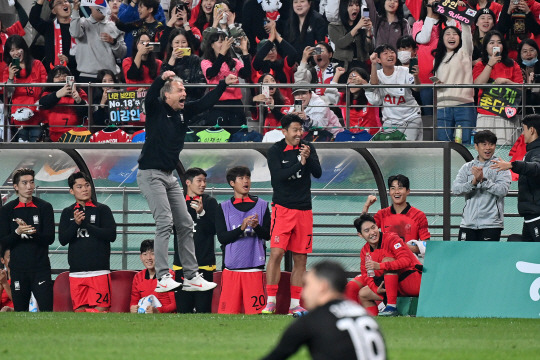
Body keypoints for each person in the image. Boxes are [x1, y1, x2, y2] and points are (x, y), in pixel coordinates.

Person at [136, 69, 237, 292]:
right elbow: (150, 95)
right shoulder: (156, 109)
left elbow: (205, 103)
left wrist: (222, 84)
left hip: (169, 176)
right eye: (180, 90)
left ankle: (191, 276)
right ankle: (162, 277)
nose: (184, 93)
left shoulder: (184, 112)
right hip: (150, 174)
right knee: (164, 222)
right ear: (167, 95)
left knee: (185, 224)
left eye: (184, 90)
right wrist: (160, 78)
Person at [261, 261, 387, 360]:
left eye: (308, 285)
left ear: (322, 286)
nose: (303, 293)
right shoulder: (363, 314)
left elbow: (277, 355)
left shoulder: (314, 319)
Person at [262, 114, 322, 315]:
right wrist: (300, 164)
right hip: (283, 209)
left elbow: (318, 173)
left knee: (301, 258)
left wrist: (308, 158)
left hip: (304, 210)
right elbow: (278, 178)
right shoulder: (276, 150)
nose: (299, 134)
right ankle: (270, 301)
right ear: (284, 131)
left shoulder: (308, 147)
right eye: (295, 130)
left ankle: (294, 305)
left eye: (300, 130)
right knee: (277, 252)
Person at [58, 172, 117, 312]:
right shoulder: (67, 212)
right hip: (76, 273)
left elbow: (111, 235)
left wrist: (86, 225)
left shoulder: (102, 209)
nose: (84, 189)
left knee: (101, 312)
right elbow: (63, 239)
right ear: (71, 190)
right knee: (79, 312)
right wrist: (75, 224)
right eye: (79, 186)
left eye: (87, 185)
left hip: (99, 271)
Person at [215, 166, 271, 314]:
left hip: (254, 268)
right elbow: (222, 238)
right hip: (231, 270)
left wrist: (257, 226)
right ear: (232, 183)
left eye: (248, 177)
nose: (246, 181)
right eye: (241, 178)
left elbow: (268, 235)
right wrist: (241, 228)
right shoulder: (223, 208)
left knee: (256, 315)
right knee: (227, 315)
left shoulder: (263, 205)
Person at [0, 168, 54, 312]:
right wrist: (18, 232)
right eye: (24, 183)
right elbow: (4, 241)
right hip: (18, 270)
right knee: (20, 312)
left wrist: (32, 232)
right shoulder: (7, 210)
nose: (29, 186)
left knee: (47, 312)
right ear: (16, 186)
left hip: (40, 269)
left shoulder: (45, 207)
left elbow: (50, 238)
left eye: (31, 182)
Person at [354, 214, 422, 317]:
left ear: (377, 226)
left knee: (387, 261)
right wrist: (375, 289)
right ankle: (375, 322)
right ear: (360, 235)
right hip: (392, 286)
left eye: (373, 227)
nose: (372, 232)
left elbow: (406, 261)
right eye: (367, 231)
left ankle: (391, 307)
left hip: (412, 281)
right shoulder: (364, 251)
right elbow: (366, 274)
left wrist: (380, 266)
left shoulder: (392, 239)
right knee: (363, 294)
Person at [452, 130, 511, 241]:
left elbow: (503, 190)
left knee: (487, 259)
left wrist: (483, 181)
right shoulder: (467, 167)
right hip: (467, 224)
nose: (488, 148)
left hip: (491, 225)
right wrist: (473, 183)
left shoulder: (501, 166)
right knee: (464, 258)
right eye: (484, 144)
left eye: (491, 144)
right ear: (476, 146)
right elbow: (455, 189)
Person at [174, 168, 218, 313]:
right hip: (182, 265)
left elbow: (214, 230)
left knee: (203, 310)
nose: (203, 184)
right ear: (188, 182)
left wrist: (202, 213)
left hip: (204, 265)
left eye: (204, 181)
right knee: (183, 310)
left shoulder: (210, 202)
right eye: (199, 181)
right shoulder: (176, 202)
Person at [491, 114, 540, 242]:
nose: (522, 134)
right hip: (531, 216)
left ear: (532, 130)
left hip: (537, 216)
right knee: (527, 253)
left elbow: (536, 168)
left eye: (523, 130)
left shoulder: (537, 152)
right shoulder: (531, 151)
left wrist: (512, 164)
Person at [473, 30, 523, 145]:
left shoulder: (512, 64)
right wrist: (490, 64)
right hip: (486, 113)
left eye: (499, 42)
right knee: (484, 148)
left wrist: (507, 82)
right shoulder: (481, 65)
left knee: (504, 148)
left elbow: (521, 87)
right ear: (485, 47)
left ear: (503, 46)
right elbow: (478, 84)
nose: (495, 45)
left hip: (506, 113)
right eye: (491, 43)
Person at [365, 44, 422, 141]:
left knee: (408, 147)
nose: (390, 55)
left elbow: (416, 89)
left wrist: (416, 76)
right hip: (390, 120)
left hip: (411, 117)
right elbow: (373, 85)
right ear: (378, 59)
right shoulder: (377, 74)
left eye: (392, 52)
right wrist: (373, 64)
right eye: (385, 53)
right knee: (389, 150)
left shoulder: (404, 71)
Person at [431, 24, 476, 143]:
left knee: (465, 141)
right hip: (442, 105)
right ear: (442, 38)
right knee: (443, 143)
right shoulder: (437, 59)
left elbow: (467, 35)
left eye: (455, 34)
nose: (451, 37)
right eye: (448, 34)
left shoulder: (464, 52)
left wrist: (464, 21)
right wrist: (437, 83)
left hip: (464, 104)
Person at [361, 174, 431, 249]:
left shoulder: (419, 216)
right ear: (389, 192)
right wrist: (366, 206)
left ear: (408, 191)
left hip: (409, 259)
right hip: (386, 259)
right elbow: (364, 228)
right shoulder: (382, 214)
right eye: (393, 188)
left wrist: (403, 248)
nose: (396, 192)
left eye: (400, 188)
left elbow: (426, 246)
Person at [201, 31, 250, 132]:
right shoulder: (206, 62)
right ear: (212, 45)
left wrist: (245, 52)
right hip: (217, 104)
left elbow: (246, 74)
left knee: (239, 136)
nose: (224, 44)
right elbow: (212, 73)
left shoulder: (234, 61)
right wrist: (221, 54)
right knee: (219, 137)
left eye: (225, 41)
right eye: (220, 42)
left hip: (236, 104)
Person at [70, 0, 127, 83]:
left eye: (103, 6)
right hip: (88, 77)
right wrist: (75, 10)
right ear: (90, 5)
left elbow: (122, 54)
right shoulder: (82, 23)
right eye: (98, 6)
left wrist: (113, 42)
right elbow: (75, 33)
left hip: (110, 77)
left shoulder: (115, 26)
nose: (101, 8)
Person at [3, 35, 47, 142]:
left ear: (24, 49)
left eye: (18, 48)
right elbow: (8, 94)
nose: (16, 52)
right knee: (23, 147)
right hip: (19, 117)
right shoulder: (7, 70)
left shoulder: (37, 64)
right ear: (8, 53)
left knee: (37, 146)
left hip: (37, 114)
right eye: (12, 50)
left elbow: (45, 87)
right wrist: (11, 77)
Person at [39, 65, 88, 142]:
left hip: (75, 134)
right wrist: (58, 94)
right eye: (57, 76)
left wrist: (78, 100)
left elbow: (86, 113)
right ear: (52, 79)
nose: (61, 78)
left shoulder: (79, 91)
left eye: (65, 76)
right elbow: (43, 104)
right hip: (54, 134)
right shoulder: (47, 92)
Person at [29, 0, 78, 77]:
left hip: (76, 74)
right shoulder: (49, 27)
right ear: (54, 11)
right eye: (59, 3)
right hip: (54, 76)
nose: (64, 4)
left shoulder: (79, 26)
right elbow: (33, 18)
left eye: (66, 1)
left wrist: (69, 60)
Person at [130, 240, 177, 313]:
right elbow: (134, 303)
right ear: (141, 257)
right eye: (145, 254)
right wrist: (133, 308)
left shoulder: (170, 275)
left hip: (167, 319)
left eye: (152, 254)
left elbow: (176, 304)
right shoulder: (138, 277)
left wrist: (158, 311)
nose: (149, 258)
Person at [161, 28, 206, 102]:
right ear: (172, 44)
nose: (180, 45)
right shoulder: (167, 61)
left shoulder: (195, 60)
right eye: (177, 42)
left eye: (183, 42)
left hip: (192, 101)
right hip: (171, 101)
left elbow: (200, 87)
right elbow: (163, 84)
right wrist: (172, 59)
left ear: (188, 43)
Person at [328, 0, 373, 70]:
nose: (355, 8)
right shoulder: (334, 26)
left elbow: (369, 49)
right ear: (344, 8)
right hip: (342, 67)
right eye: (351, 5)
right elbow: (341, 43)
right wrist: (357, 27)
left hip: (361, 66)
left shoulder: (363, 26)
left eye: (357, 5)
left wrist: (368, 32)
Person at [337, 67, 380, 134]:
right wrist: (337, 75)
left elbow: (375, 101)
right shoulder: (343, 97)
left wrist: (364, 83)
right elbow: (329, 94)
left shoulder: (371, 95)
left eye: (356, 79)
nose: (352, 81)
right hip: (351, 139)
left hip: (372, 138)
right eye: (350, 78)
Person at [0, 247, 14, 312]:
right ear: (2, 260)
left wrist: (5, 283)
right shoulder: (2, 279)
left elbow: (20, 303)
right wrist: (1, 286)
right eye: (9, 257)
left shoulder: (25, 280)